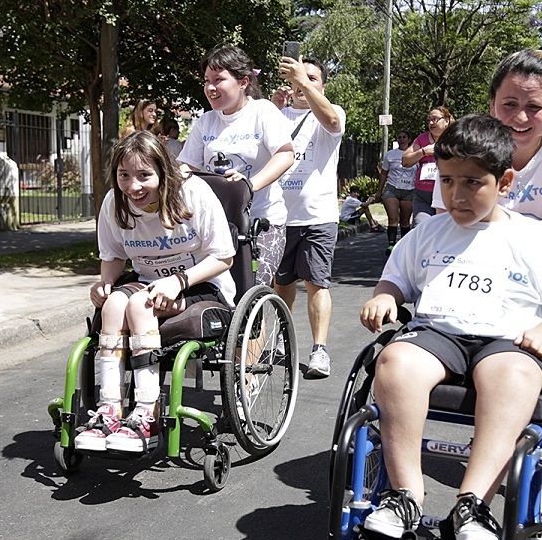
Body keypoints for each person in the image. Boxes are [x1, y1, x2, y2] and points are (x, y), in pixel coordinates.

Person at [358, 114, 542, 540]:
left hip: (507, 339)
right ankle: (405, 495)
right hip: (439, 334)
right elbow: (397, 279)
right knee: (394, 362)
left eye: (471, 183)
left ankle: (474, 504)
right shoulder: (428, 232)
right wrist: (386, 296)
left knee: (515, 376)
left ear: (504, 182)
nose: (456, 195)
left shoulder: (534, 239)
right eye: (447, 181)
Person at [83, 130, 236, 452]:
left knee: (140, 305)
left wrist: (179, 281)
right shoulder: (116, 201)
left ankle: (146, 413)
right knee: (111, 306)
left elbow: (224, 257)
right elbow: (112, 255)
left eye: (144, 175)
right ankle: (110, 409)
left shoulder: (193, 193)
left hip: (202, 284)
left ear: (162, 173)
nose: (133, 186)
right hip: (148, 280)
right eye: (124, 175)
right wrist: (104, 282)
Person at [431, 44, 542, 260]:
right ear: (492, 104)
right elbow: (446, 216)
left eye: (534, 107)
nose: (521, 118)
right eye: (510, 104)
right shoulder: (466, 142)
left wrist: (497, 231)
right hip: (484, 262)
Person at [178, 45, 295, 286]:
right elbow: (186, 166)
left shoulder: (262, 111)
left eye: (219, 80)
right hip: (216, 222)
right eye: (207, 81)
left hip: (262, 221)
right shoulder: (205, 122)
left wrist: (248, 185)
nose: (211, 88)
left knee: (252, 293)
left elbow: (285, 155)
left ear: (243, 82)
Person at [269, 54, 348, 379]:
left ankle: (319, 351)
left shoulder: (331, 113)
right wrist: (271, 108)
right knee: (281, 284)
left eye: (312, 78)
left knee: (316, 283)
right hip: (279, 216)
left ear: (322, 85)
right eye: (301, 77)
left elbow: (330, 120)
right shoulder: (276, 115)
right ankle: (277, 339)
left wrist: (302, 80)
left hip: (318, 216)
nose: (304, 82)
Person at [403, 107, 454, 225]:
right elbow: (405, 160)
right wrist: (423, 151)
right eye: (429, 120)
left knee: (444, 232)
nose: (431, 123)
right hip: (423, 195)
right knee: (420, 229)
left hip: (446, 195)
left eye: (435, 119)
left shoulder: (455, 138)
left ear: (446, 120)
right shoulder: (422, 139)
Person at [378, 130, 416, 255]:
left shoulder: (416, 154)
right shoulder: (390, 154)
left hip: (409, 190)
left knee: (405, 221)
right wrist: (379, 192)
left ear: (409, 139)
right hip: (392, 189)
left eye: (404, 137)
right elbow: (384, 174)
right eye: (399, 137)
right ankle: (391, 244)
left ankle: (404, 245)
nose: (401, 139)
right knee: (393, 218)